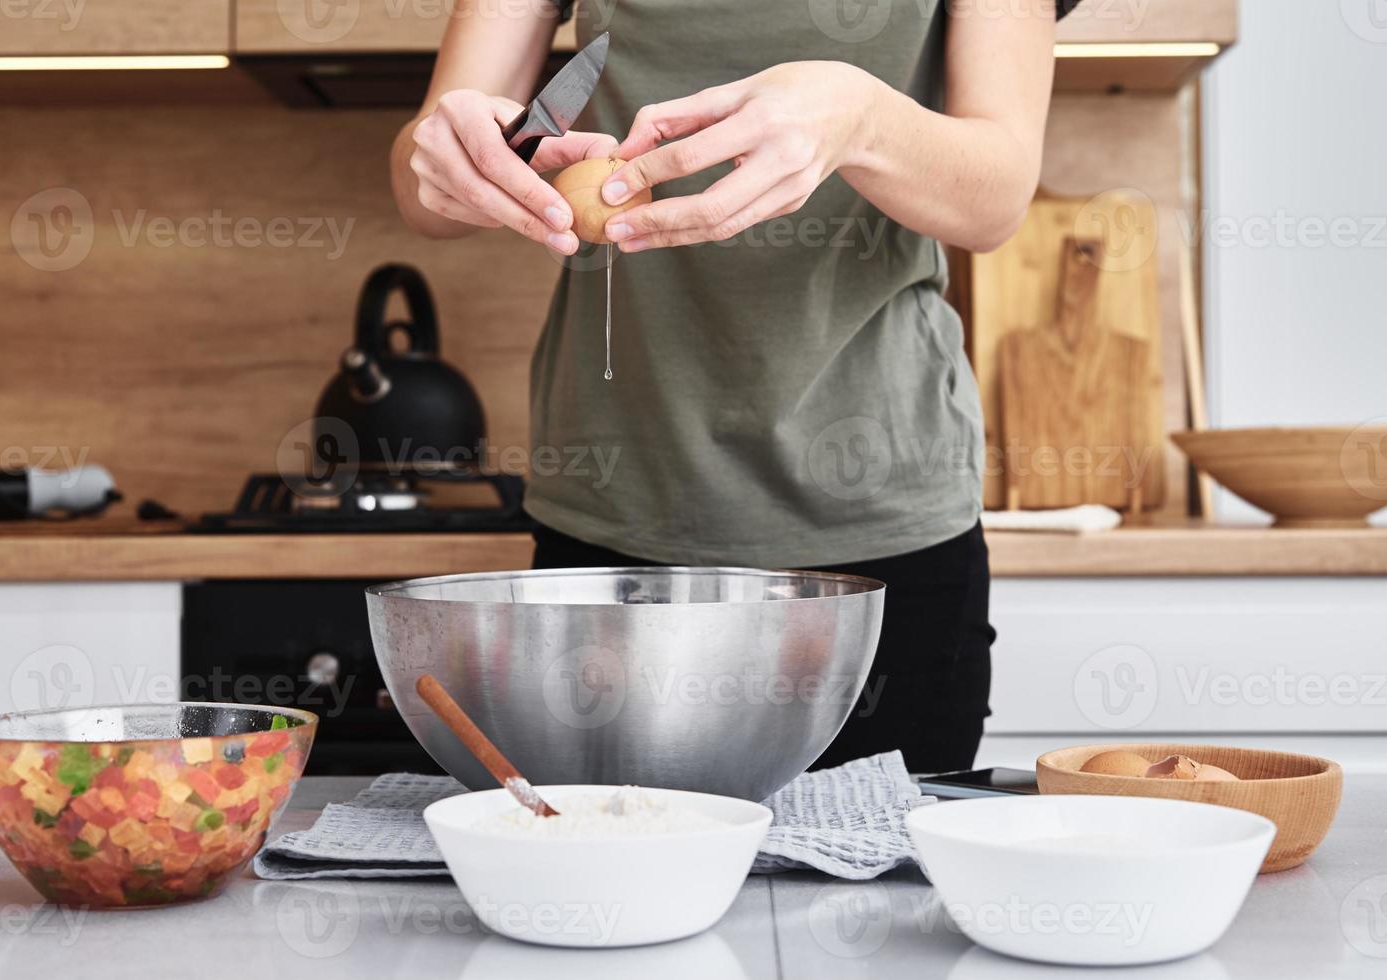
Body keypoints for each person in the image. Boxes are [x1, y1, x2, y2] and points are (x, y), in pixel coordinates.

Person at [391, 0, 1078, 774]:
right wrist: (446, 148)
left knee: (887, 877)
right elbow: (424, 190)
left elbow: (994, 200)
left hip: (885, 526)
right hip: (615, 506)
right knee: (612, 861)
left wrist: (863, 119)